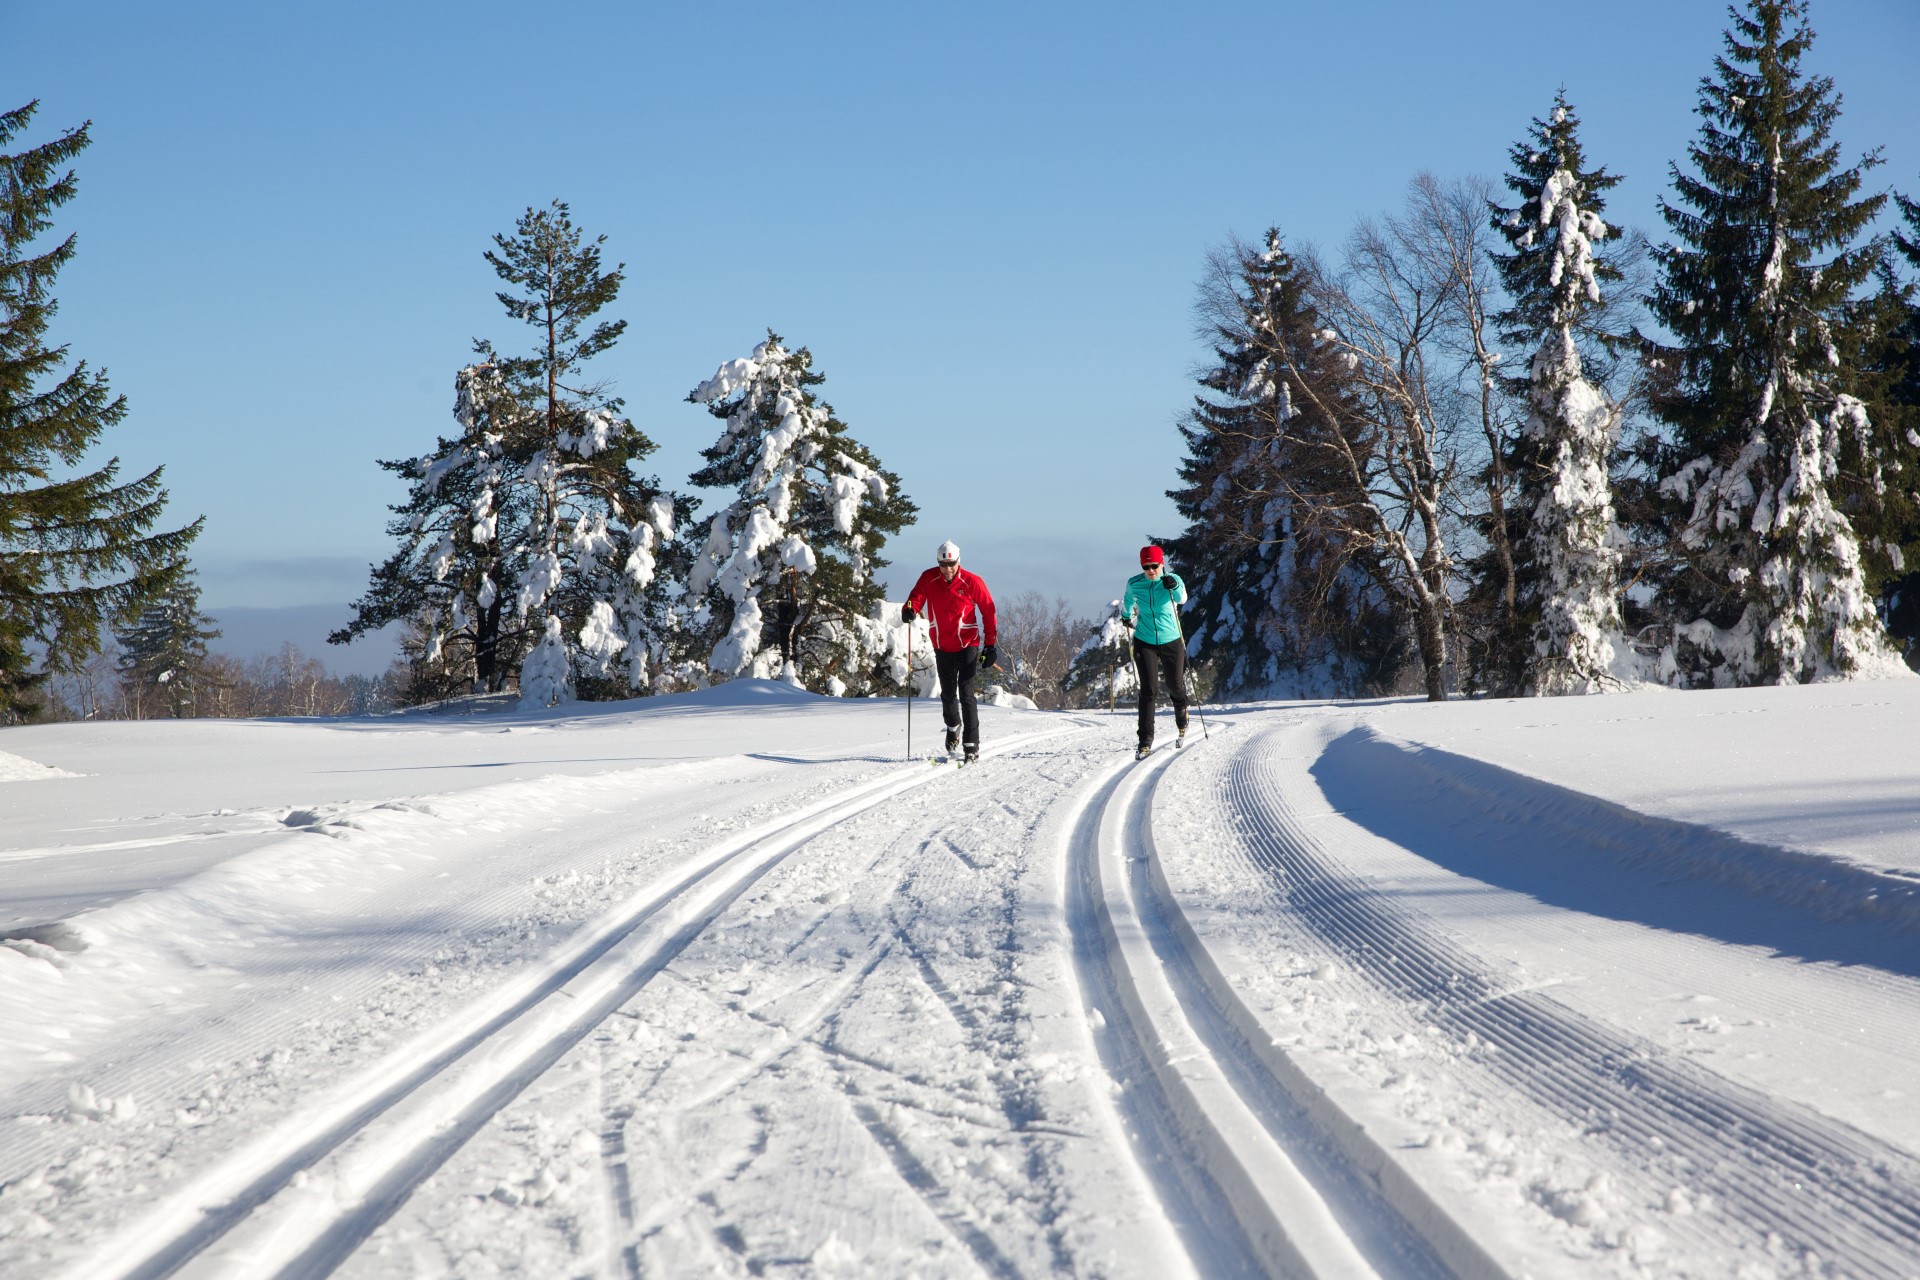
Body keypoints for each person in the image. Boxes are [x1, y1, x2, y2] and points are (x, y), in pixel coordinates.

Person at [902, 540, 997, 762]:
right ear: (938, 563)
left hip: (968, 645)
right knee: (947, 695)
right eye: (943, 564)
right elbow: (915, 599)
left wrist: (990, 645)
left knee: (966, 693)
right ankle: (953, 726)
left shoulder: (972, 581)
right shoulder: (929, 578)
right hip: (942, 645)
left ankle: (971, 745)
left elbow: (988, 611)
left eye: (951, 564)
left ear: (958, 561)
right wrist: (909, 610)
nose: (947, 569)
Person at [1120, 545, 1189, 759]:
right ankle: (1145, 741)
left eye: (1154, 566)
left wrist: (1174, 585)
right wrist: (1126, 616)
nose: (1151, 571)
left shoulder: (1171, 580)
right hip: (1145, 640)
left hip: (1171, 640)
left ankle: (1182, 715)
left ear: (1162, 564)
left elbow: (1183, 598)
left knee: (1174, 685)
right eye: (1146, 567)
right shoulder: (1135, 583)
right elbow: (1128, 601)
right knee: (1148, 690)